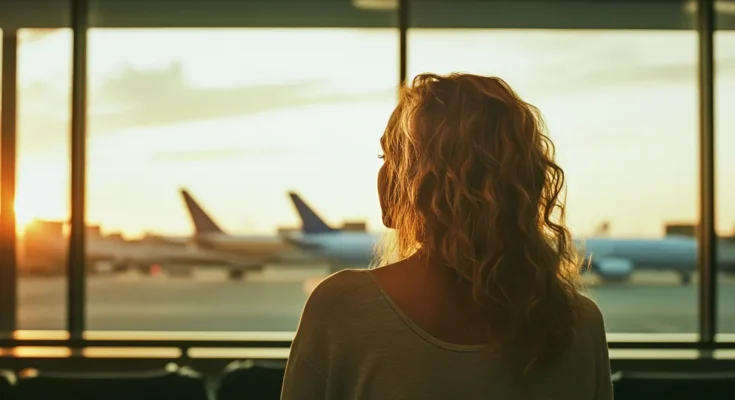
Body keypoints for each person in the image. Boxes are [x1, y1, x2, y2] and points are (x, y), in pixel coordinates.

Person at [281, 73, 613, 400]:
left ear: (429, 179)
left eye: (392, 156)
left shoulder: (341, 307)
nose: (383, 174)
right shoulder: (579, 324)